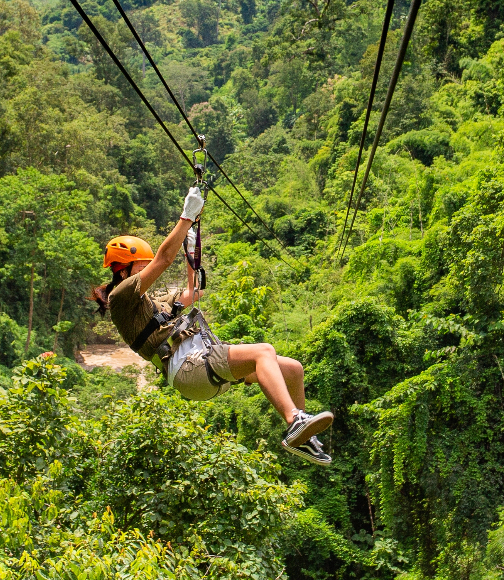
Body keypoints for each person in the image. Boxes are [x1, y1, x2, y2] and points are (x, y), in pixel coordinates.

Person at [92, 185, 334, 464]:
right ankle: (294, 421)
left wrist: (191, 251)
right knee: (263, 352)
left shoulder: (151, 302)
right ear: (122, 269)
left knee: (293, 370)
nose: (146, 271)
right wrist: (186, 217)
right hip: (190, 366)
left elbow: (193, 294)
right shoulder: (121, 298)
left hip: (198, 366)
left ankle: (303, 438)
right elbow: (163, 259)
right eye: (140, 266)